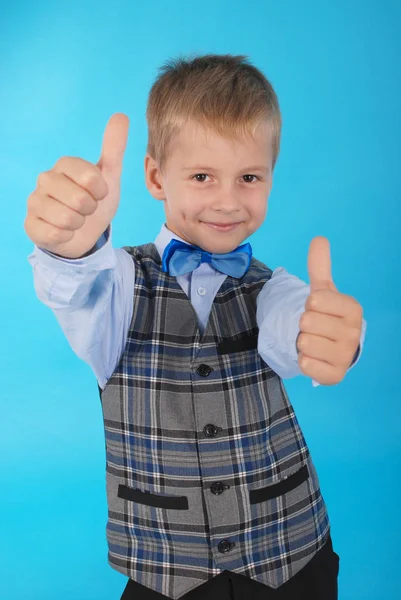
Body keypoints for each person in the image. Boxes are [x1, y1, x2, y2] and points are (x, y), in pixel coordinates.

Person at [25, 53, 367, 600]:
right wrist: (72, 248)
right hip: (167, 572)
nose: (229, 201)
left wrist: (331, 338)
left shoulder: (271, 287)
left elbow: (295, 322)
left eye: (249, 176)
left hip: (291, 557)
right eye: (203, 175)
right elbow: (77, 288)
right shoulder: (116, 286)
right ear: (157, 176)